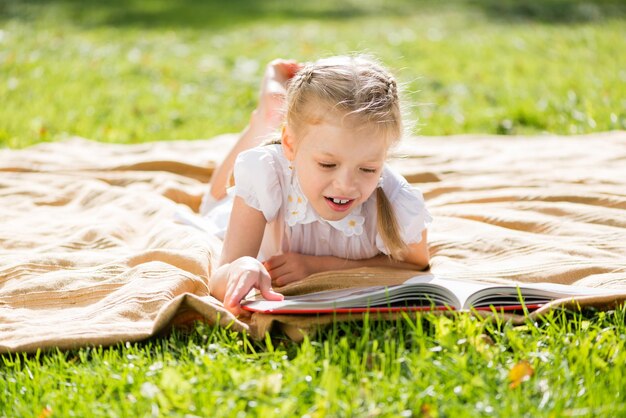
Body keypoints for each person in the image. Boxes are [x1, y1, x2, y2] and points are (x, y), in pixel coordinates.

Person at [198, 55, 432, 316]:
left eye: (368, 169)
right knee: (213, 201)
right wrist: (239, 267)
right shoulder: (266, 175)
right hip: (228, 208)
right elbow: (220, 277)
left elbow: (416, 264)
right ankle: (266, 115)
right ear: (290, 145)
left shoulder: (396, 199)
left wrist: (320, 266)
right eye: (327, 165)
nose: (346, 185)